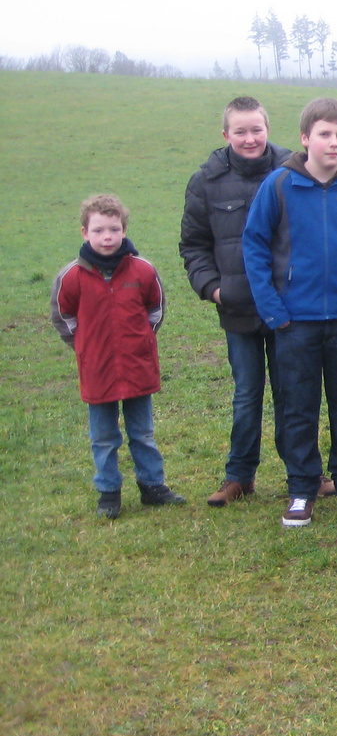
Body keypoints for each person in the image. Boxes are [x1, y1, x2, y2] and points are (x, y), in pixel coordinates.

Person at [243, 98, 337, 528]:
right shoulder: (279, 186)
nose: (333, 142)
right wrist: (273, 308)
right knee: (297, 407)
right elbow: (253, 245)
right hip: (294, 321)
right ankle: (302, 489)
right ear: (305, 138)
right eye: (324, 134)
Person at [180, 96, 321, 507]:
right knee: (247, 393)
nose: (249, 138)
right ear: (226, 135)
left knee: (293, 392)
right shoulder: (205, 181)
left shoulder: (294, 170)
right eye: (239, 131)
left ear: (268, 129)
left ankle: (306, 473)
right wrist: (213, 288)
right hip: (238, 307)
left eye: (256, 129)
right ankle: (239, 475)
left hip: (287, 306)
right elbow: (193, 245)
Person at [52, 194, 182, 518]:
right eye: (98, 231)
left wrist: (140, 343)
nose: (107, 237)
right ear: (84, 233)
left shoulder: (142, 270)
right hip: (97, 368)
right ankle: (108, 491)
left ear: (124, 229)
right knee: (104, 436)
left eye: (113, 229)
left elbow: (156, 309)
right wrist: (84, 346)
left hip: (137, 366)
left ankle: (153, 486)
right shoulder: (72, 276)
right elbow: (64, 315)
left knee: (143, 432)